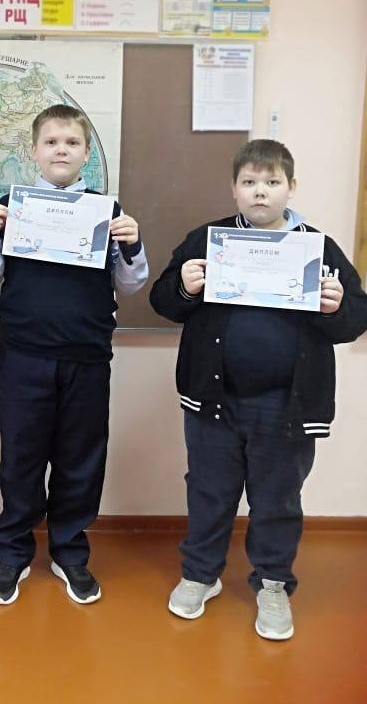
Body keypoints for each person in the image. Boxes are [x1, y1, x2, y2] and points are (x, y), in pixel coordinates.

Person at [149, 139, 367, 640]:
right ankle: (200, 575)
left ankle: (272, 584)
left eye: (272, 182)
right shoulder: (208, 240)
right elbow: (163, 301)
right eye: (249, 182)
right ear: (234, 189)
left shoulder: (319, 247)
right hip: (214, 400)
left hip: (287, 406)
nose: (260, 191)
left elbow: (356, 320)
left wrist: (337, 306)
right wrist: (185, 285)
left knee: (277, 499)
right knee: (209, 492)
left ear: (291, 187)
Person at [0, 104, 148, 605]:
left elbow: (132, 283)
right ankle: (13, 552)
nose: (61, 151)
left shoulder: (107, 211)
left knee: (80, 459)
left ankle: (69, 552)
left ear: (86, 154)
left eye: (71, 143)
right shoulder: (11, 206)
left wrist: (132, 244)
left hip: (86, 356)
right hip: (24, 355)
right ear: (34, 151)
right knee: (21, 457)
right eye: (51, 142)